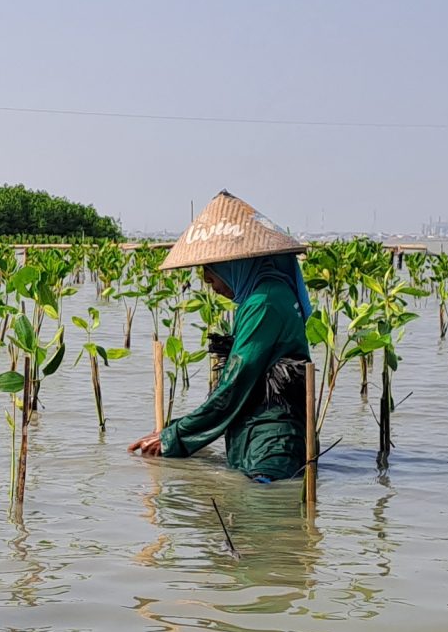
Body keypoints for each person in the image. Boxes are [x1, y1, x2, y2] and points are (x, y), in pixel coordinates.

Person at [128, 191, 314, 481]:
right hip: (261, 437)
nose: (212, 286)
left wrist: (174, 436)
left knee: (263, 501)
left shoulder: (263, 302)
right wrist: (175, 430)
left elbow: (235, 384)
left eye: (212, 275)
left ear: (233, 266)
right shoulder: (267, 294)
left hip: (270, 442)